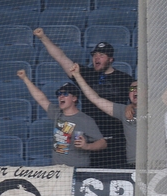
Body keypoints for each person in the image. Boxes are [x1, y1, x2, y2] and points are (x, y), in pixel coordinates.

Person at [35, 28, 134, 168]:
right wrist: (43, 37)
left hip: (116, 139)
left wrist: (130, 105)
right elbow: (61, 58)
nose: (96, 58)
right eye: (94, 55)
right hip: (88, 138)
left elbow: (137, 99)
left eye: (101, 55)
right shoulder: (85, 74)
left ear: (111, 59)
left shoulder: (124, 79)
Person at [17, 71, 107, 166]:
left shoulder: (85, 120)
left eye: (65, 94)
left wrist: (87, 146)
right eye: (59, 94)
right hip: (57, 171)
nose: (61, 96)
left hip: (77, 170)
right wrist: (25, 78)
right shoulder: (57, 113)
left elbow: (102, 143)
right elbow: (41, 99)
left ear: (74, 98)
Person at [69, 63, 139, 168]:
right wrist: (78, 76)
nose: (135, 92)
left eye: (138, 88)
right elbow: (96, 99)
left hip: (156, 163)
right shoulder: (122, 111)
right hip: (133, 163)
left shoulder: (157, 108)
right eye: (132, 90)